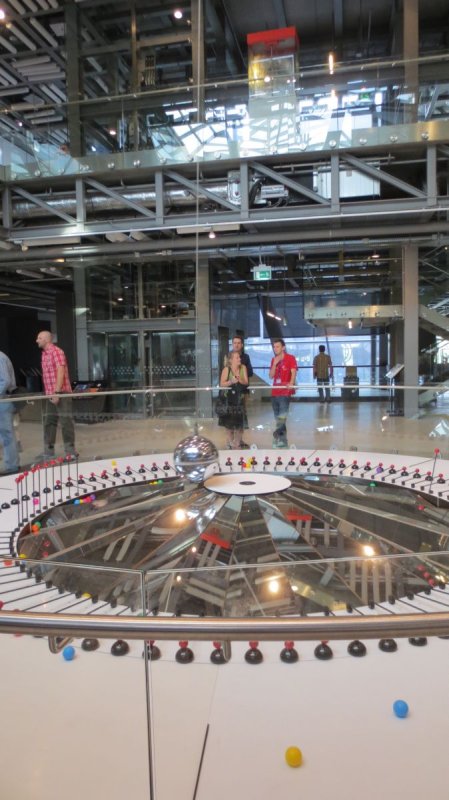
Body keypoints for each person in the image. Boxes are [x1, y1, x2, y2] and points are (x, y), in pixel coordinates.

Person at [36, 331, 76, 459]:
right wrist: (51, 394)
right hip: (50, 394)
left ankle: (71, 453)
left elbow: (61, 371)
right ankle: (48, 452)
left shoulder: (57, 352)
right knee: (49, 422)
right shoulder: (44, 354)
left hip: (61, 393)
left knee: (65, 422)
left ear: (47, 340)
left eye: (39, 338)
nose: (37, 340)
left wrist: (57, 392)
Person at [269, 338, 297, 448]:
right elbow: (271, 376)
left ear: (283, 347)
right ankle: (283, 440)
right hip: (275, 392)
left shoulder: (290, 358)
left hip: (285, 392)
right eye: (274, 347)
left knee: (282, 417)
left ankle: (278, 436)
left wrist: (291, 383)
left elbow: (293, 372)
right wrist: (274, 364)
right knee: (278, 418)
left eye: (277, 346)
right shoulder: (273, 359)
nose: (275, 349)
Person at [218, 351, 248, 449]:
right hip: (229, 401)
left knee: (240, 425)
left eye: (239, 357)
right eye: (237, 358)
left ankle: (237, 443)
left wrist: (239, 379)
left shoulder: (243, 368)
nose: (239, 359)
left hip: (239, 400)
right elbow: (222, 384)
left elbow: (246, 382)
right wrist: (231, 381)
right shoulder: (226, 369)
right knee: (229, 425)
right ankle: (230, 442)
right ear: (231, 360)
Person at [230, 335, 253, 447]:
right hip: (230, 391)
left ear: (242, 345)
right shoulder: (228, 356)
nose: (236, 345)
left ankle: (239, 440)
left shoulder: (246, 357)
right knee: (230, 415)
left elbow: (250, 373)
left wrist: (241, 371)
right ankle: (231, 441)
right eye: (235, 343)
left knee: (242, 415)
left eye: (238, 343)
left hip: (243, 390)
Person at [0, 351, 19, 474]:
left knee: (7, 434)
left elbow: (5, 380)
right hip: (3, 399)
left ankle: (12, 466)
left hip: (3, 400)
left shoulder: (0, 358)